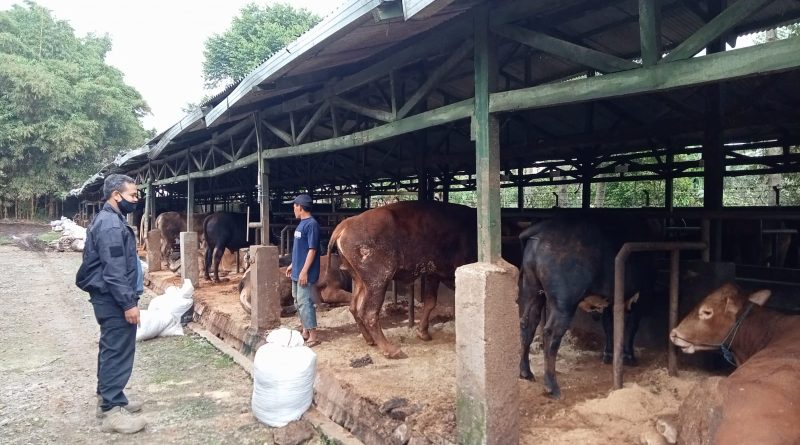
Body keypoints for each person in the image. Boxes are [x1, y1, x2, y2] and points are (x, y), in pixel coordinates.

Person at [75, 174, 147, 434]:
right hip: (114, 299)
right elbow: (114, 271)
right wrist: (129, 304)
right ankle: (111, 412)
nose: (136, 200)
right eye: (133, 195)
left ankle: (109, 400)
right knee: (117, 350)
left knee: (111, 348)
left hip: (110, 297)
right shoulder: (110, 226)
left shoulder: (111, 220)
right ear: (116, 195)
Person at [285, 194, 321, 347]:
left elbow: (312, 250)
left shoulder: (311, 224)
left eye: (294, 206)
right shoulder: (301, 224)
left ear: (300, 207)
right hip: (297, 269)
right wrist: (293, 264)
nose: (293, 209)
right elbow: (300, 249)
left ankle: (313, 335)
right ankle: (305, 329)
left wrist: (304, 271)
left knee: (305, 301)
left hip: (305, 272)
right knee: (297, 299)